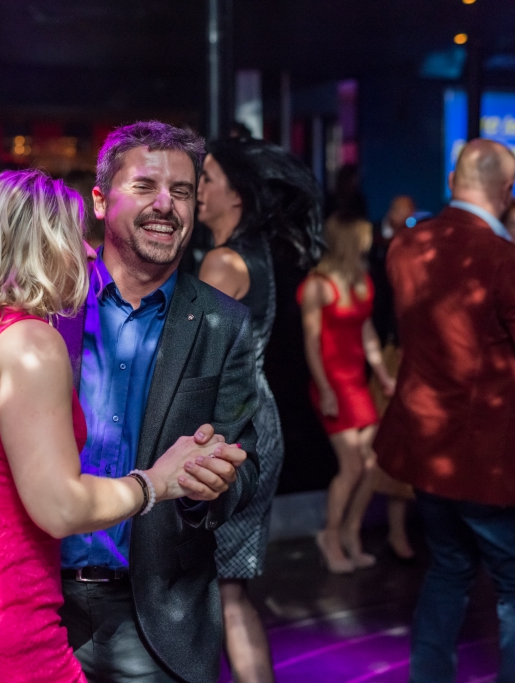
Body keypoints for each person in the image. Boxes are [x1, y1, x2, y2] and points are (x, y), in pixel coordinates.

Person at [0, 121, 261, 683]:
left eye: (181, 191)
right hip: (24, 597)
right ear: (100, 201)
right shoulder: (35, 297)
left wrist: (213, 485)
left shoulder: (223, 324)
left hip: (149, 613)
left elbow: (247, 460)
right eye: (145, 186)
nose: (165, 204)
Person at [374, 139, 515, 683]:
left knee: (448, 569)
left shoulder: (405, 245)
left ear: (451, 179)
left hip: (427, 446)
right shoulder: (508, 258)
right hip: (489, 456)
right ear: (508, 191)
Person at [196, 138, 323, 682]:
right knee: (230, 589)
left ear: (237, 196)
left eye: (207, 178)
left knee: (222, 590)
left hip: (232, 428)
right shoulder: (254, 254)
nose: (197, 189)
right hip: (255, 420)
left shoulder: (223, 262)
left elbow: (194, 364)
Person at [299, 213, 396, 573]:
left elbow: (367, 332)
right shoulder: (318, 285)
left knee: (372, 463)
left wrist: (383, 375)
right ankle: (330, 535)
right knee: (352, 464)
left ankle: (351, 531)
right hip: (333, 382)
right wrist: (324, 388)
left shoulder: (360, 280)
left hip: (356, 383)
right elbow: (311, 342)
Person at [367, 195, 418, 562]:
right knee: (391, 448)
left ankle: (403, 532)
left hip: (417, 360)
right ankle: (393, 533)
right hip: (393, 357)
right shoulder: (380, 259)